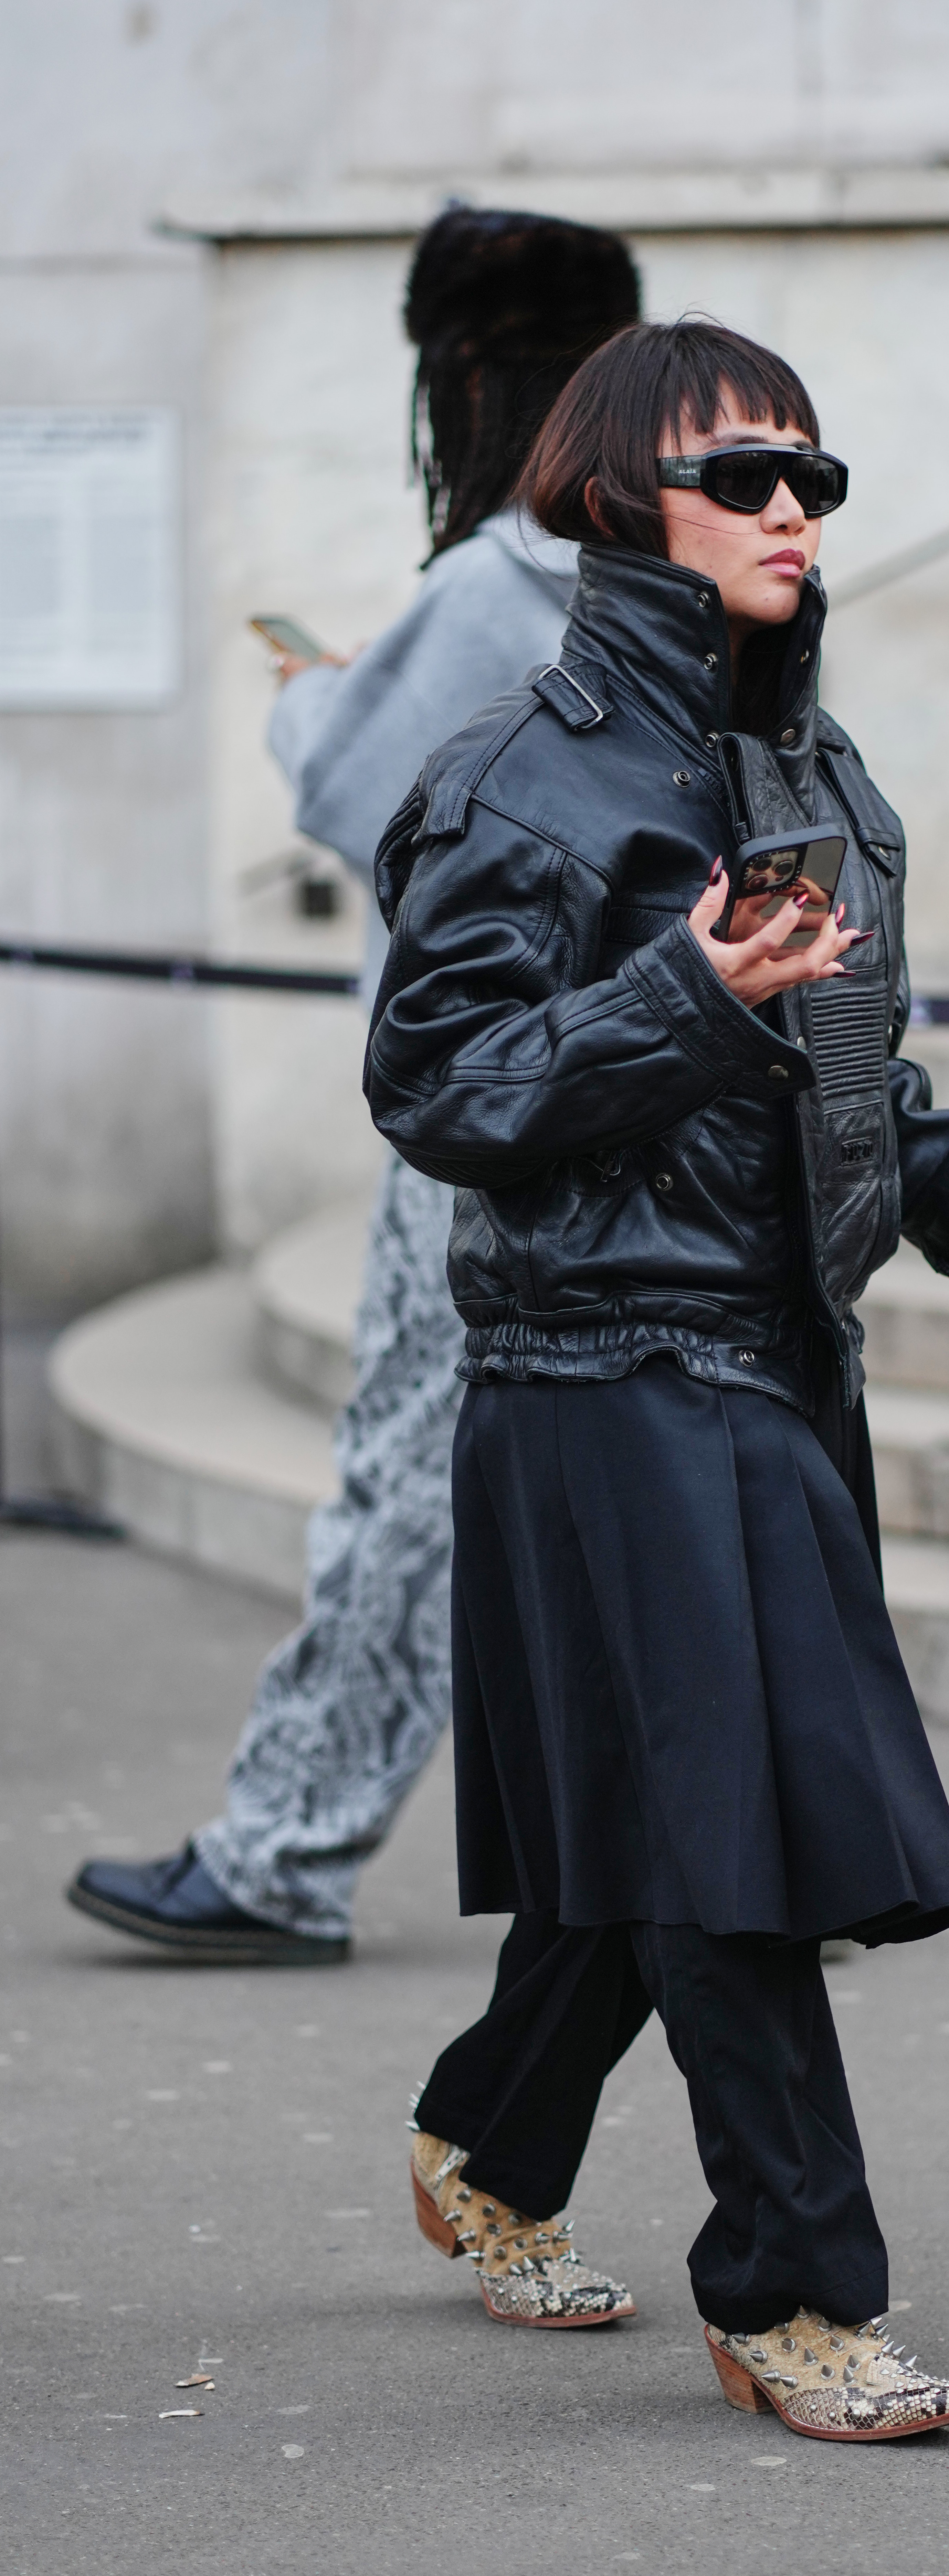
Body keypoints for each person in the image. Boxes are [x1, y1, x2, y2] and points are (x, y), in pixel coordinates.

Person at [367, 318, 949, 2433]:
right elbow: (438, 1087)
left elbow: (854, 1089)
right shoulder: (520, 783)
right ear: (625, 501)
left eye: (821, 477)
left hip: (766, 1360)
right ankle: (798, 2299)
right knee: (735, 1836)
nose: (798, 510)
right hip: (596, 1369)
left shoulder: (809, 774)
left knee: (658, 1823)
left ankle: (489, 2143)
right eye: (751, 478)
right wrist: (684, 998)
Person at [66, 206, 641, 1966]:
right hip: (672, 1079)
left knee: (414, 1466)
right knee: (669, 1468)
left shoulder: (490, 587)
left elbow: (364, 791)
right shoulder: (692, 575)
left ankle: (285, 1852)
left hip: (485, 1103)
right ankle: (765, 1843)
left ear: (465, 381)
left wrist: (316, 691)